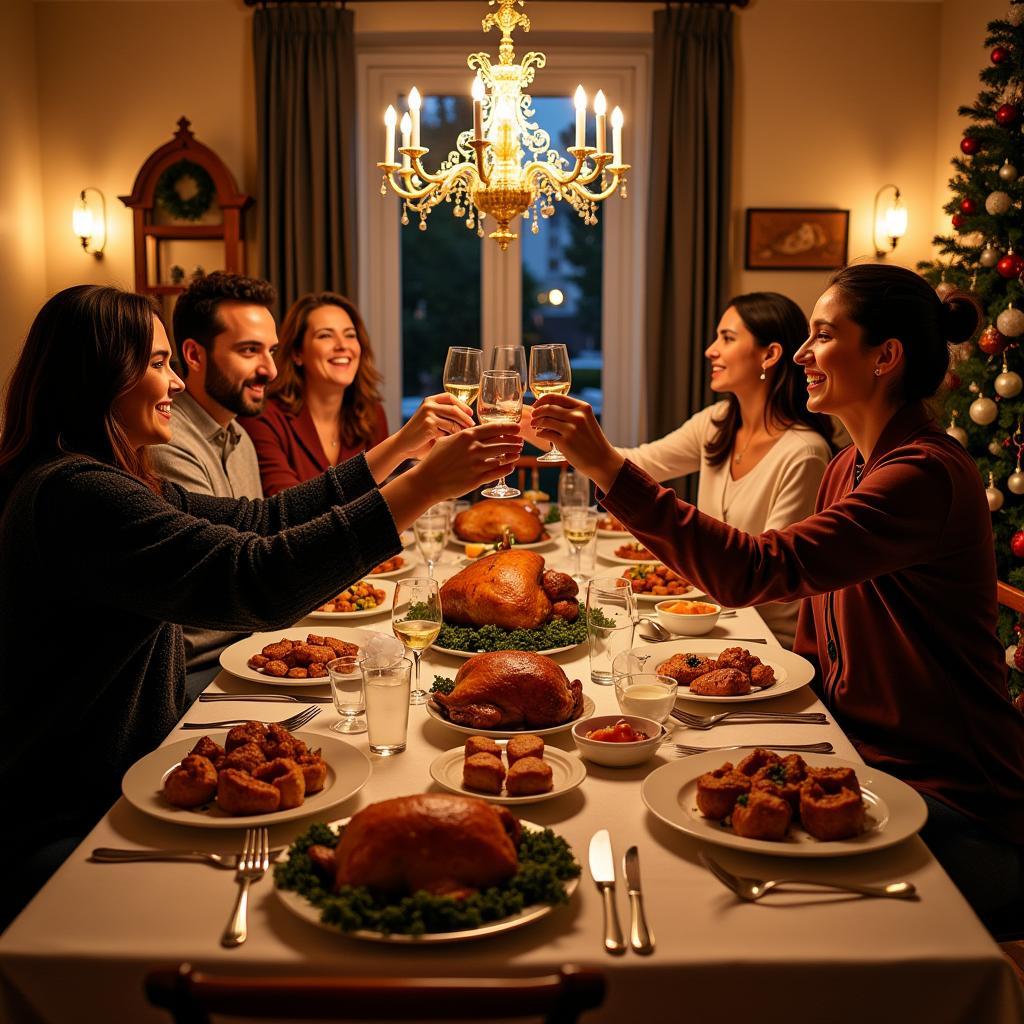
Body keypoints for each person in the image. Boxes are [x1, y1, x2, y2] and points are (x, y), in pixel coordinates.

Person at [0, 285, 521, 927]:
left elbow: (263, 519)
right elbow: (256, 581)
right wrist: (425, 484)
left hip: (129, 778)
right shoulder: (77, 496)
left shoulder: (100, 478)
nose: (173, 383)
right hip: (76, 821)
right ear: (102, 373)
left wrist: (399, 455)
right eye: (159, 364)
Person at [531, 264, 1024, 938]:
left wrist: (609, 469)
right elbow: (817, 626)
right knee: (689, 840)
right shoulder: (852, 465)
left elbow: (757, 569)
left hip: (950, 798)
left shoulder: (924, 475)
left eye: (823, 336)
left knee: (736, 910)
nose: (801, 355)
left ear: (885, 357)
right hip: (860, 760)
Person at [527, 293, 834, 647]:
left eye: (728, 338)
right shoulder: (717, 423)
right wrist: (548, 436)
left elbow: (770, 582)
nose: (711, 350)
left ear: (769, 354)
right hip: (710, 617)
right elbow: (639, 464)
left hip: (763, 638)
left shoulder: (804, 453)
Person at [149, 271, 279, 695]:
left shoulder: (238, 435)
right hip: (200, 675)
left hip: (250, 647)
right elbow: (233, 575)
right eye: (249, 351)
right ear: (194, 355)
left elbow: (263, 531)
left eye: (271, 351)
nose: (270, 370)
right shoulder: (166, 443)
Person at [241, 291, 466, 495]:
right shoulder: (264, 417)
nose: (342, 345)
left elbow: (379, 502)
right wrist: (400, 446)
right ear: (298, 353)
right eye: (325, 335)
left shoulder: (370, 414)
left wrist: (419, 458)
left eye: (350, 335)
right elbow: (287, 512)